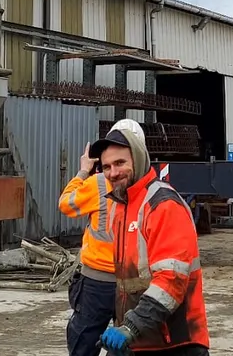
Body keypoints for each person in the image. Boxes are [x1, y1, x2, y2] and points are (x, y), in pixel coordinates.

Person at [90, 122, 209, 355]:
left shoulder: (162, 205)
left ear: (138, 159)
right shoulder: (121, 206)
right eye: (106, 167)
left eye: (120, 163)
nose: (113, 173)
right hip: (140, 341)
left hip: (176, 344)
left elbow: (171, 279)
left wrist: (130, 328)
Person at [60, 119, 144, 356]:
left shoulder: (98, 183)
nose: (113, 170)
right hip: (133, 283)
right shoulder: (149, 189)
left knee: (83, 343)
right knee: (126, 345)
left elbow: (66, 204)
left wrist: (83, 170)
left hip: (97, 283)